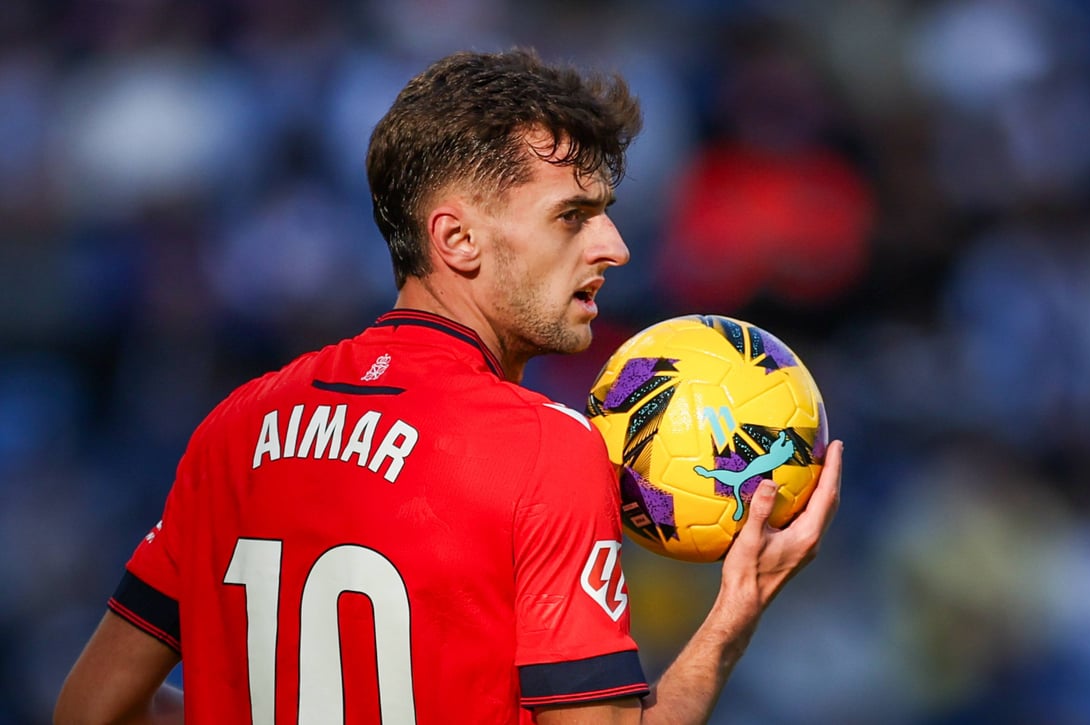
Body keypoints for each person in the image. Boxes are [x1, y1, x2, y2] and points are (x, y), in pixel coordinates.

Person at [54, 48, 844, 724]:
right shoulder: (546, 449)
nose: (616, 246)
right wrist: (735, 615)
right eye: (574, 216)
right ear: (457, 239)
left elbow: (88, 708)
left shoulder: (236, 424)